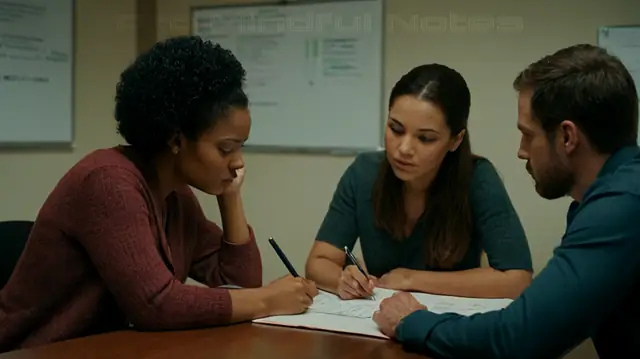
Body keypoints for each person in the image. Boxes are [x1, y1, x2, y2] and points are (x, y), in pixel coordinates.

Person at [0, 35, 318, 352]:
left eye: (240, 147)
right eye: (225, 149)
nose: (238, 162)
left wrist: (230, 197)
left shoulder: (175, 194)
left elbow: (238, 282)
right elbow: (156, 303)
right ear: (176, 140)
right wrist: (267, 299)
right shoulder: (108, 182)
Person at [373, 44, 640, 359]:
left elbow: (519, 337)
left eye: (528, 134)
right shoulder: (606, 198)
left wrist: (412, 322)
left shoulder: (621, 206)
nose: (521, 151)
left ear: (567, 137)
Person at [305, 64, 533, 301]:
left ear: (455, 140)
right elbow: (319, 262)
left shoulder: (478, 179)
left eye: (425, 138)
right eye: (396, 129)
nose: (403, 149)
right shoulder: (364, 173)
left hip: (449, 327)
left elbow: (517, 279)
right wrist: (343, 279)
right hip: (377, 323)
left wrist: (410, 280)